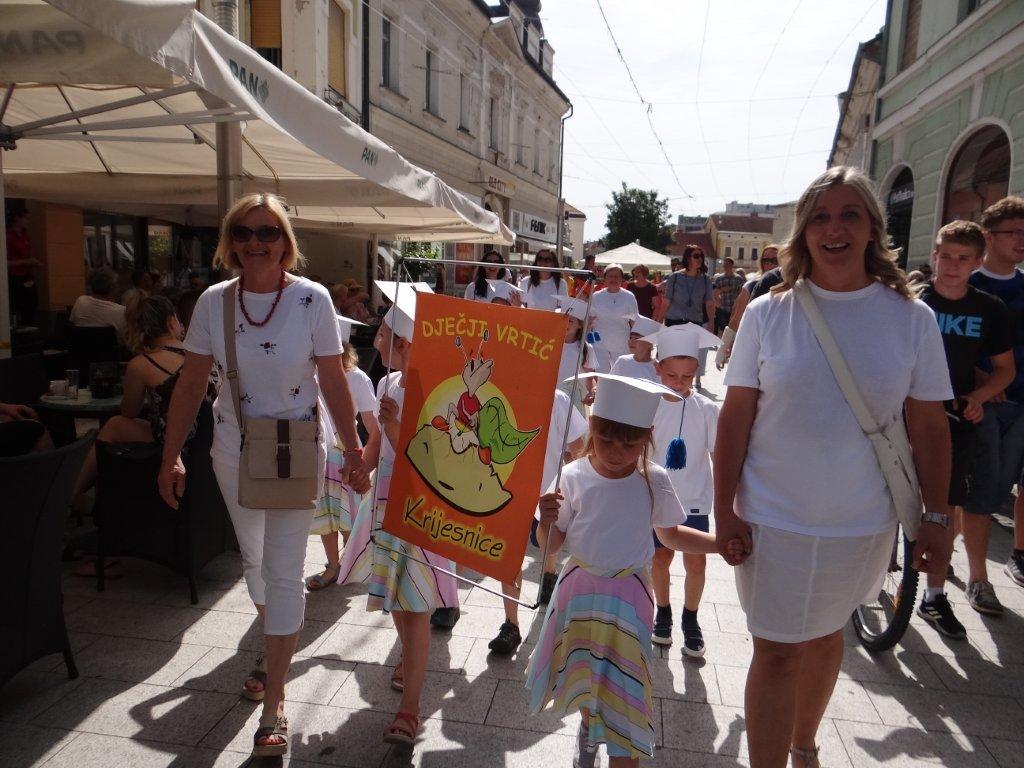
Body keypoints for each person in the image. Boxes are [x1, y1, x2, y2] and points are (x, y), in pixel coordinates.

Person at [716, 166, 954, 768]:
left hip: (861, 522)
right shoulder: (770, 314)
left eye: (850, 214)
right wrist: (725, 511)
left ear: (873, 227)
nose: (834, 228)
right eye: (820, 216)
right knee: (775, 652)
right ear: (803, 232)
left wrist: (936, 519)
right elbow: (734, 418)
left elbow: (929, 427)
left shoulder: (912, 319)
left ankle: (805, 747)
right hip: (773, 518)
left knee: (825, 636)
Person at [157, 193, 362, 758]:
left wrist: (356, 448)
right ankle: (277, 651)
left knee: (284, 570)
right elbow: (191, 384)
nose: (256, 241)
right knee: (255, 562)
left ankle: (274, 702)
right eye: (244, 231)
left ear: (284, 240)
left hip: (297, 446)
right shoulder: (213, 303)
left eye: (268, 232)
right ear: (230, 239)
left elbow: (334, 382)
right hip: (233, 448)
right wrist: (171, 454)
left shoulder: (312, 299)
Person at [525, 373, 733, 767]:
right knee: (585, 668)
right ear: (591, 427)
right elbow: (551, 546)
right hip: (579, 591)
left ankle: (624, 743)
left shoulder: (654, 479)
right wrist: (545, 521)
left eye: (630, 442)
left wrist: (719, 544)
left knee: (625, 681)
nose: (616, 451)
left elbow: (670, 535)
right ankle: (589, 728)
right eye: (606, 440)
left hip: (630, 596)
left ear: (648, 435)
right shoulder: (570, 477)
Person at [915, 220, 1014, 638]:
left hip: (955, 418)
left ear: (977, 263)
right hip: (903, 413)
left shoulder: (989, 309)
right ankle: (873, 575)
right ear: (935, 255)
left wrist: (979, 396)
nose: (952, 266)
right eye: (946, 256)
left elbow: (1005, 370)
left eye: (963, 259)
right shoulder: (911, 300)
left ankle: (935, 596)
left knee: (944, 508)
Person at [488, 388, 587, 654]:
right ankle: (511, 624)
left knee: (548, 548)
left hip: (547, 492)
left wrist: (569, 475)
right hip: (506, 491)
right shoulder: (497, 393)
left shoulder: (557, 399)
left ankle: (549, 574)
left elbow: (577, 443)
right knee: (510, 557)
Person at [647, 324, 722, 656]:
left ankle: (690, 617)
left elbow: (719, 455)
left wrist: (728, 502)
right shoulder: (646, 403)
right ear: (657, 369)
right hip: (656, 500)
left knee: (697, 563)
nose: (680, 384)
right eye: (672, 376)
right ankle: (662, 610)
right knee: (660, 557)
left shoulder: (706, 409)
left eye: (687, 378)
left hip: (693, 500)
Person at [967, 196, 1024, 598]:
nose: (1022, 240)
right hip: (984, 405)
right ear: (989, 236)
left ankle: (1018, 556)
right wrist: (985, 379)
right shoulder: (968, 286)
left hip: (1023, 403)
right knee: (983, 493)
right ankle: (977, 577)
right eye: (1014, 233)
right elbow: (952, 346)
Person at [305, 316, 379, 591]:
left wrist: (373, 457)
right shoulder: (311, 373)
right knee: (326, 515)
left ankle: (350, 561)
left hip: (347, 453)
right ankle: (334, 565)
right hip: (320, 451)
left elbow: (372, 424)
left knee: (348, 514)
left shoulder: (357, 378)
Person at [656, 246, 715, 388]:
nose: (700, 259)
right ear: (688, 258)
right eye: (696, 256)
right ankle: (662, 384)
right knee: (668, 355)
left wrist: (711, 324)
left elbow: (709, 303)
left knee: (688, 357)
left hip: (694, 323)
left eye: (701, 256)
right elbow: (666, 301)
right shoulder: (675, 277)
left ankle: (685, 387)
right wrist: (658, 322)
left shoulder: (705, 280)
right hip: (673, 322)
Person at [715, 246, 780, 370]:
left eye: (774, 260)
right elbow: (736, 319)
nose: (770, 264)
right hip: (755, 344)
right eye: (766, 260)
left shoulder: (794, 286)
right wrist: (722, 349)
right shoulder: (752, 285)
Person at [590, 264, 638, 373]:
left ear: (621, 279)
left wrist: (636, 340)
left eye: (616, 276)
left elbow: (634, 321)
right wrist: (588, 341)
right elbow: (590, 320)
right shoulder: (596, 296)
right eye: (610, 276)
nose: (613, 279)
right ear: (605, 279)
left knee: (620, 375)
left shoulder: (629, 296)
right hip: (599, 344)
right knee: (601, 376)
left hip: (622, 343)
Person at [553, 296, 597, 410]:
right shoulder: (550, 343)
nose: (566, 323)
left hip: (573, 401)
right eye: (564, 319)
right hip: (550, 396)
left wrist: (593, 390)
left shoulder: (585, 348)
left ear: (580, 325)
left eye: (570, 321)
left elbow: (589, 378)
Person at [70, 268, 128, 342]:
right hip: (111, 352)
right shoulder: (121, 311)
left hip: (81, 351)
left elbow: (73, 322)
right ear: (112, 288)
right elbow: (124, 338)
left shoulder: (80, 301)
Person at [6, 206, 39, 325]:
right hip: (14, 277)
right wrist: (26, 261)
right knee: (17, 305)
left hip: (27, 276)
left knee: (32, 303)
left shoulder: (25, 235)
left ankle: (29, 329)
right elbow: (4, 262)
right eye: (26, 218)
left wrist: (33, 264)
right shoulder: (7, 236)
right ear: (16, 218)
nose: (28, 221)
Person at [609, 316, 662, 383]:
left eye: (637, 338)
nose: (631, 341)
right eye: (630, 337)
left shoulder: (658, 368)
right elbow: (610, 384)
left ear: (650, 343)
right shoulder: (622, 361)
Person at [712, 257, 745, 334]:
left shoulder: (738, 279)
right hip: (723, 309)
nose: (725, 267)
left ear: (731, 265)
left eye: (727, 265)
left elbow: (742, 293)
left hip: (735, 310)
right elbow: (714, 294)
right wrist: (718, 304)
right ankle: (723, 345)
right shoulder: (719, 279)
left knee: (734, 331)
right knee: (723, 331)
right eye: (724, 265)